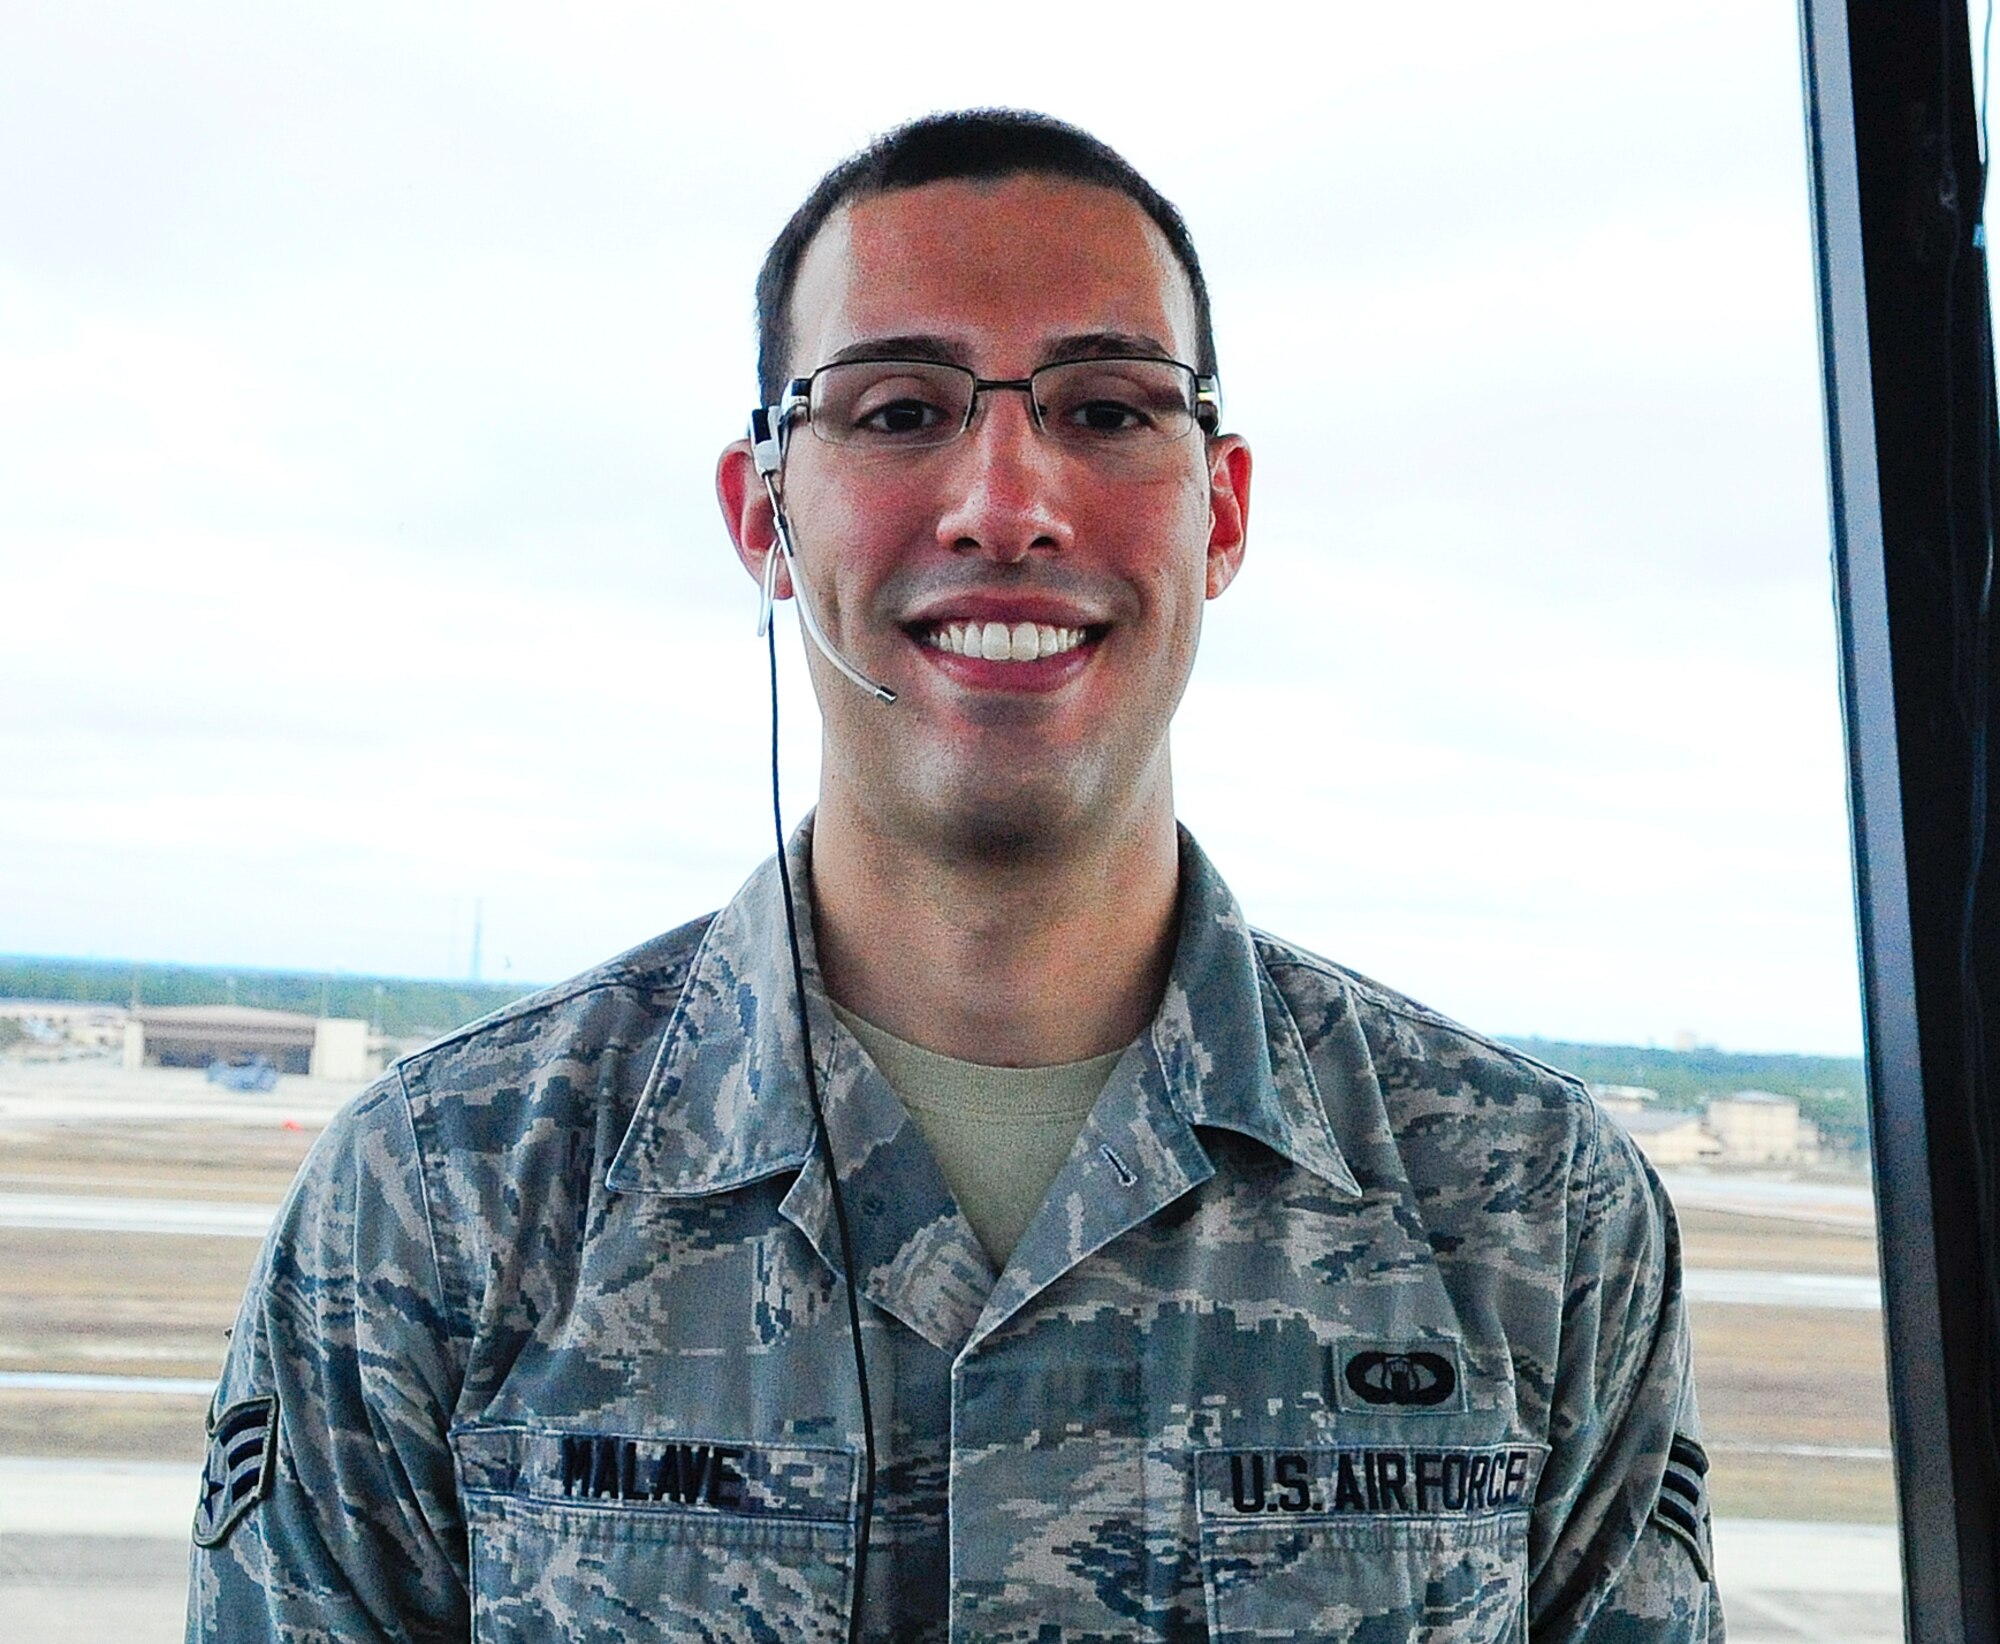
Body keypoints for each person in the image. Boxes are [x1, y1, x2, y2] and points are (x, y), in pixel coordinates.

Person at [186, 110, 1721, 1643]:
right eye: (901, 409)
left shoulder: (1530, 1215)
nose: (1005, 501)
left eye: (1111, 410)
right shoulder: (442, 1200)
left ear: (1225, 511)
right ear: (762, 513)